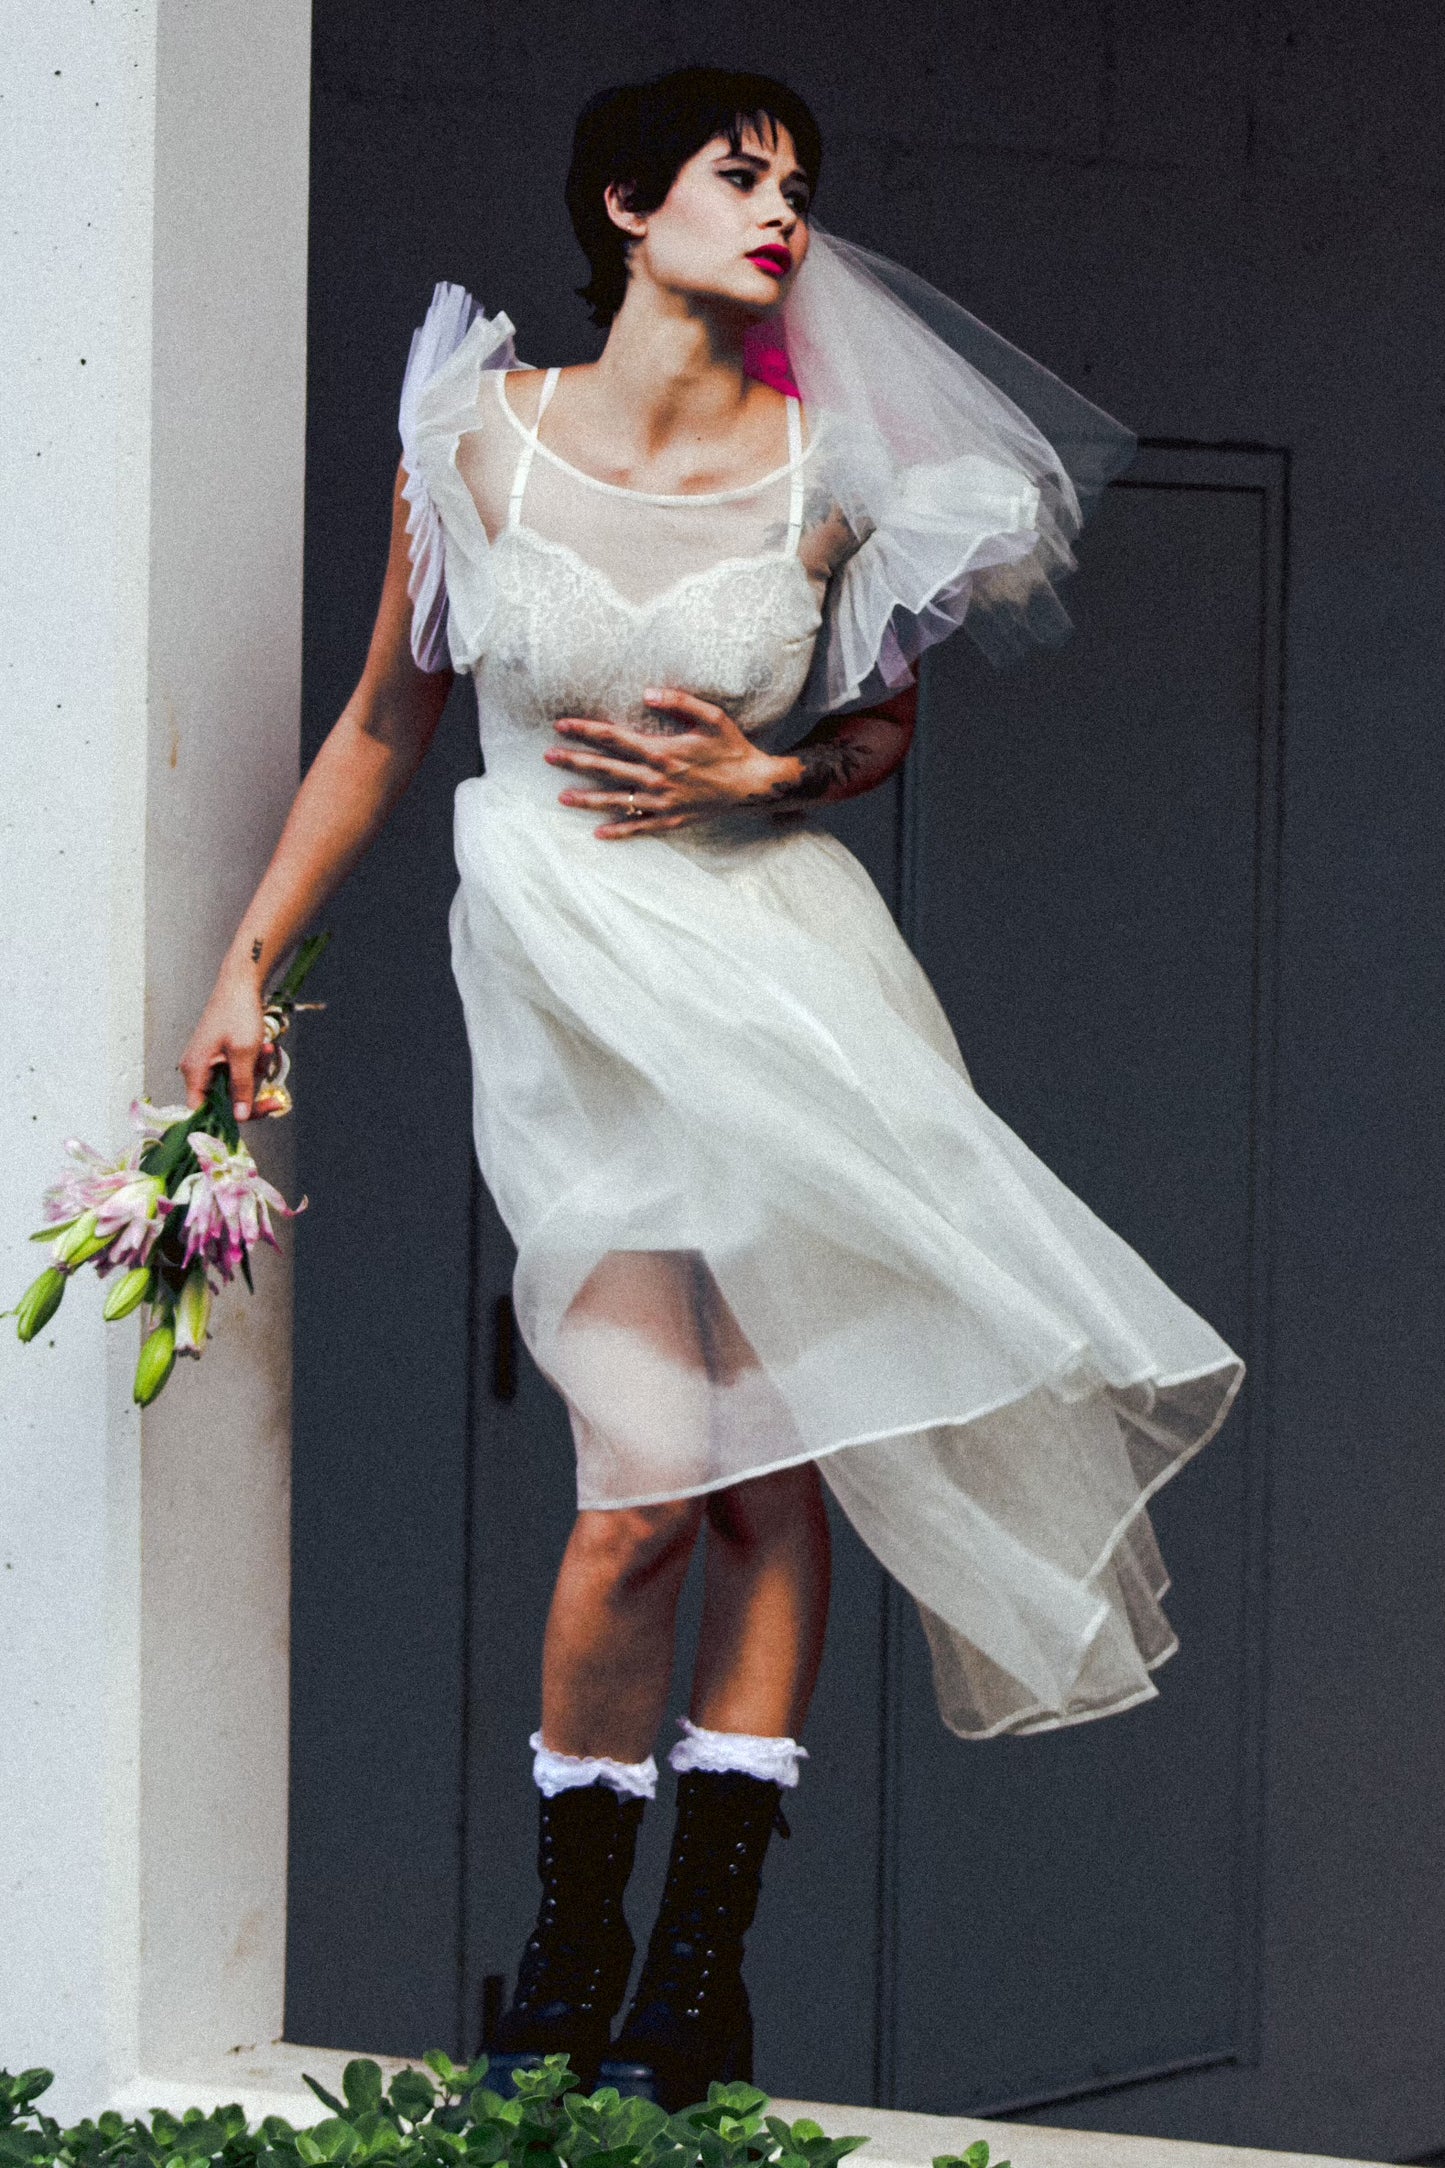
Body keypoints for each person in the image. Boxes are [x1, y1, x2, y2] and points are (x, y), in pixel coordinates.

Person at [180, 66, 1244, 2110]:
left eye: (798, 185)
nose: (780, 214)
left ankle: (696, 1963)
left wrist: (773, 768)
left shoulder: (826, 466)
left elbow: (872, 735)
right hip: (566, 977)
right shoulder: (468, 431)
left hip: (785, 979)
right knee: (635, 1501)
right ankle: (571, 1935)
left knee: (777, 1468)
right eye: (737, 177)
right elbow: (387, 729)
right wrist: (248, 963)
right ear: (624, 205)